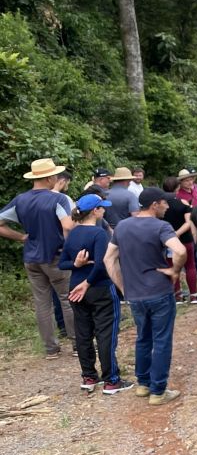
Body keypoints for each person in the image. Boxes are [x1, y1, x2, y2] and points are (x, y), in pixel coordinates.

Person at [104, 187, 186, 405]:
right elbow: (180, 251)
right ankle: (158, 391)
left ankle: (143, 384)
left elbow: (108, 259)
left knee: (143, 337)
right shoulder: (161, 226)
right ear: (155, 204)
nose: (168, 206)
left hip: (135, 294)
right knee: (161, 341)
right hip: (159, 291)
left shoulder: (122, 226)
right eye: (165, 203)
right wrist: (175, 271)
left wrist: (123, 287)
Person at [0, 158, 77, 359]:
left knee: (42, 302)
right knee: (67, 299)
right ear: (51, 177)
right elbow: (68, 226)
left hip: (31, 258)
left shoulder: (20, 200)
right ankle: (78, 344)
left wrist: (21, 237)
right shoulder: (57, 199)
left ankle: (51, 349)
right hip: (55, 256)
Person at [59, 194, 133, 394]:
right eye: (102, 207)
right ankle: (111, 380)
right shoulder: (99, 233)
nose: (104, 210)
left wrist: (76, 266)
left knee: (83, 333)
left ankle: (89, 376)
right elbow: (102, 264)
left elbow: (62, 263)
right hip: (99, 288)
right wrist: (88, 282)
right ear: (95, 211)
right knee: (105, 333)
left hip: (76, 289)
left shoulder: (73, 233)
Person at [161, 176, 197, 304]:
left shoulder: (159, 204)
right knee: (190, 265)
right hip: (185, 239)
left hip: (167, 240)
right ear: (177, 188)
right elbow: (188, 222)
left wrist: (170, 235)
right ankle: (194, 295)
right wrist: (177, 233)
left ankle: (176, 295)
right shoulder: (182, 203)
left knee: (172, 266)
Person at [51, 170, 74, 338]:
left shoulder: (28, 198)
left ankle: (59, 329)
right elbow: (68, 225)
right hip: (59, 250)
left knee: (48, 296)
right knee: (65, 294)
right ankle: (72, 333)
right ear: (62, 180)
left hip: (36, 253)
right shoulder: (62, 199)